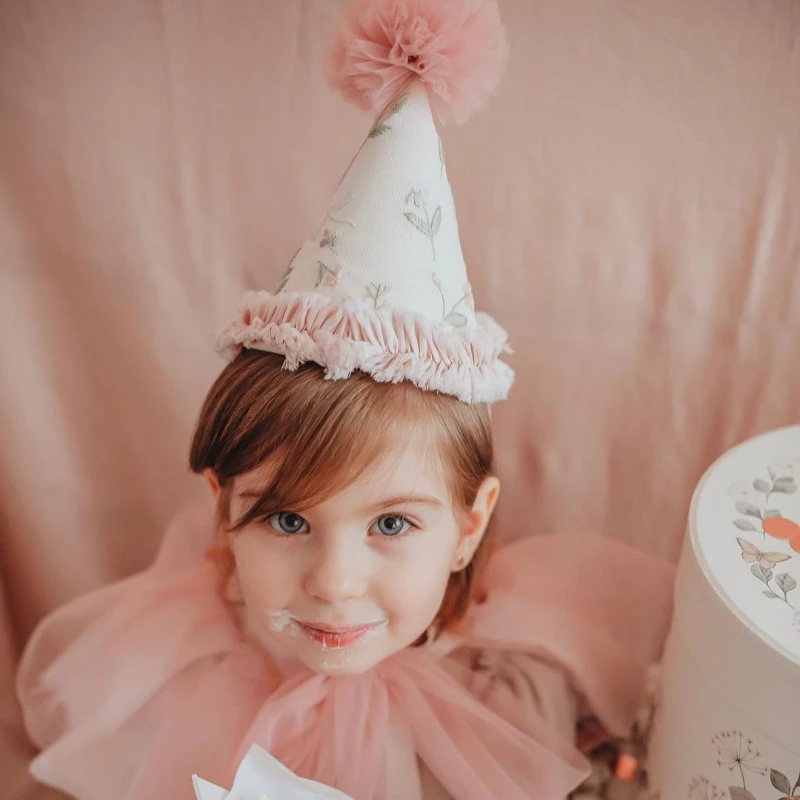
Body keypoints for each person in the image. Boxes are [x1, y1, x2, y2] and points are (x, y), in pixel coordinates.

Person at [15, 1, 674, 798]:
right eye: (288, 519)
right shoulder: (174, 673)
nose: (334, 581)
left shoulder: (512, 693)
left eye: (392, 523)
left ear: (468, 525)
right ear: (222, 505)